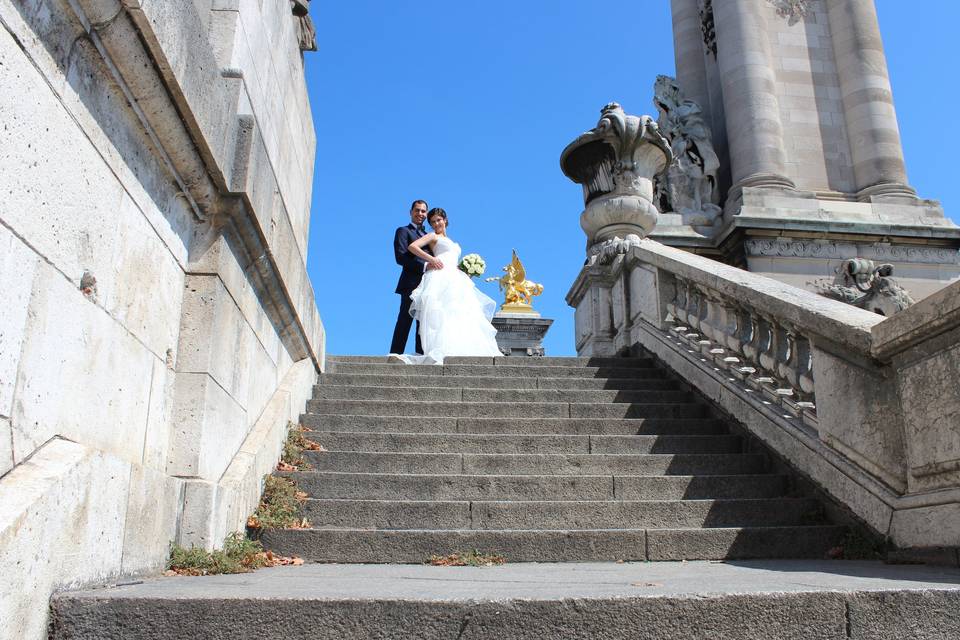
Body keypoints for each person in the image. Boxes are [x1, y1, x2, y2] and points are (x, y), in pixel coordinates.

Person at [392, 207, 501, 364]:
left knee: (457, 313)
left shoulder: (452, 241)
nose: (436, 223)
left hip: (455, 277)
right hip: (439, 276)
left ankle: (456, 348)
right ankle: (428, 350)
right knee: (438, 313)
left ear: (445, 220)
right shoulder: (431, 236)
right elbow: (412, 247)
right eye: (433, 221)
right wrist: (431, 259)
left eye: (439, 220)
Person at [389, 200, 432, 355]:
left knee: (423, 322)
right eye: (417, 210)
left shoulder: (428, 236)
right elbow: (400, 257)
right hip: (410, 283)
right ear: (411, 212)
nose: (420, 214)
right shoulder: (403, 231)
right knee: (405, 320)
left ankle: (420, 355)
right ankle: (395, 354)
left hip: (428, 285)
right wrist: (424, 266)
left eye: (423, 211)